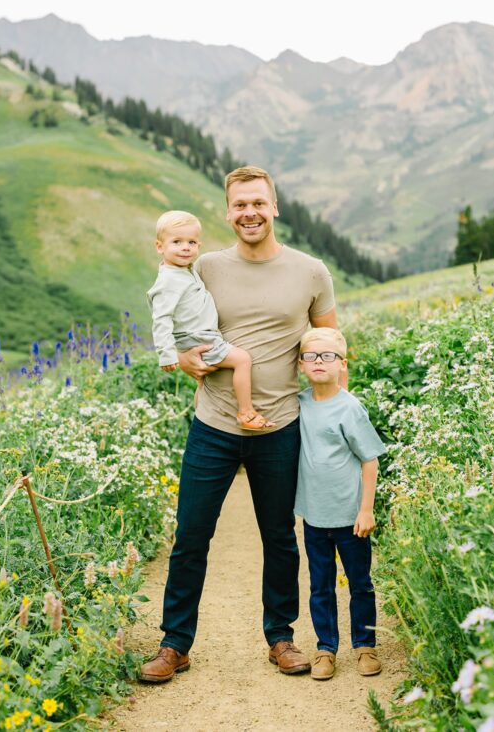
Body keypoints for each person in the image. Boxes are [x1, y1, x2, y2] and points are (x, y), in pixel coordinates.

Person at [140, 165, 338, 683]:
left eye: (258, 203)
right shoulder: (202, 265)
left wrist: (329, 407)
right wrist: (183, 359)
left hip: (281, 427)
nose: (249, 213)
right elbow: (178, 324)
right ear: (228, 212)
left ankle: (282, 638)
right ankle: (175, 644)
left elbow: (330, 343)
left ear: (274, 207)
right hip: (213, 424)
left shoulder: (310, 271)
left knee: (279, 536)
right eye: (239, 205)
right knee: (191, 535)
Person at [294, 327, 387, 681]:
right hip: (315, 516)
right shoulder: (298, 404)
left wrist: (366, 509)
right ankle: (325, 648)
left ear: (342, 364)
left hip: (350, 516)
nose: (319, 362)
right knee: (320, 585)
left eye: (327, 356)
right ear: (301, 364)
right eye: (311, 356)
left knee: (360, 581)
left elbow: (369, 460)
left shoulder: (350, 408)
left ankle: (364, 645)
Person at [147, 210, 273, 430]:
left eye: (192, 242)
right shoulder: (169, 281)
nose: (186, 247)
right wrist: (167, 354)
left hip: (197, 336)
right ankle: (245, 412)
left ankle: (202, 418)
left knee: (203, 384)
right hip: (199, 338)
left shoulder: (181, 271)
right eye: (177, 242)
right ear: (160, 247)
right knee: (242, 360)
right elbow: (161, 318)